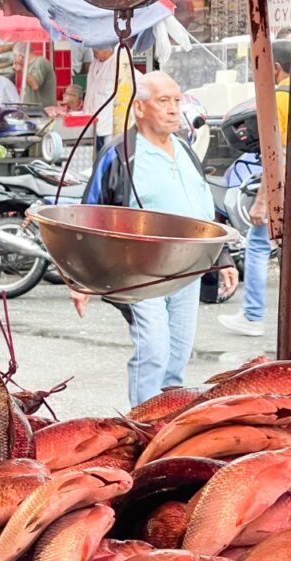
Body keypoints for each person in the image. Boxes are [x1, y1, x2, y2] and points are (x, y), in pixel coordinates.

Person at [71, 71, 238, 407]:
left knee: (178, 354)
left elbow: (202, 211)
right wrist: (80, 278)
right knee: (154, 350)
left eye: (177, 100)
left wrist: (223, 259)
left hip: (187, 269)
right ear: (139, 108)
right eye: (164, 101)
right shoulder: (120, 153)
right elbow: (89, 216)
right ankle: (142, 423)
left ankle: (167, 420)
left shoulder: (184, 148)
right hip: (139, 272)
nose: (175, 109)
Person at [218, 39, 291, 338]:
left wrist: (263, 202)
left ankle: (252, 315)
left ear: (275, 68)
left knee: (259, 243)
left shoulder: (281, 99)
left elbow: (280, 156)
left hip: (284, 190)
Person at [85, 48, 119, 150]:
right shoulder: (94, 63)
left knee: (107, 158)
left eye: (98, 48)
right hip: (91, 122)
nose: (94, 50)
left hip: (108, 126)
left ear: (109, 48)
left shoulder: (116, 63)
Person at [14, 43, 57, 107]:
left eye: (15, 56)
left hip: (42, 111)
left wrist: (22, 70)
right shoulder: (27, 66)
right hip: (32, 111)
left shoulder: (40, 62)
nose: (15, 59)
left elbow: (35, 85)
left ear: (20, 55)